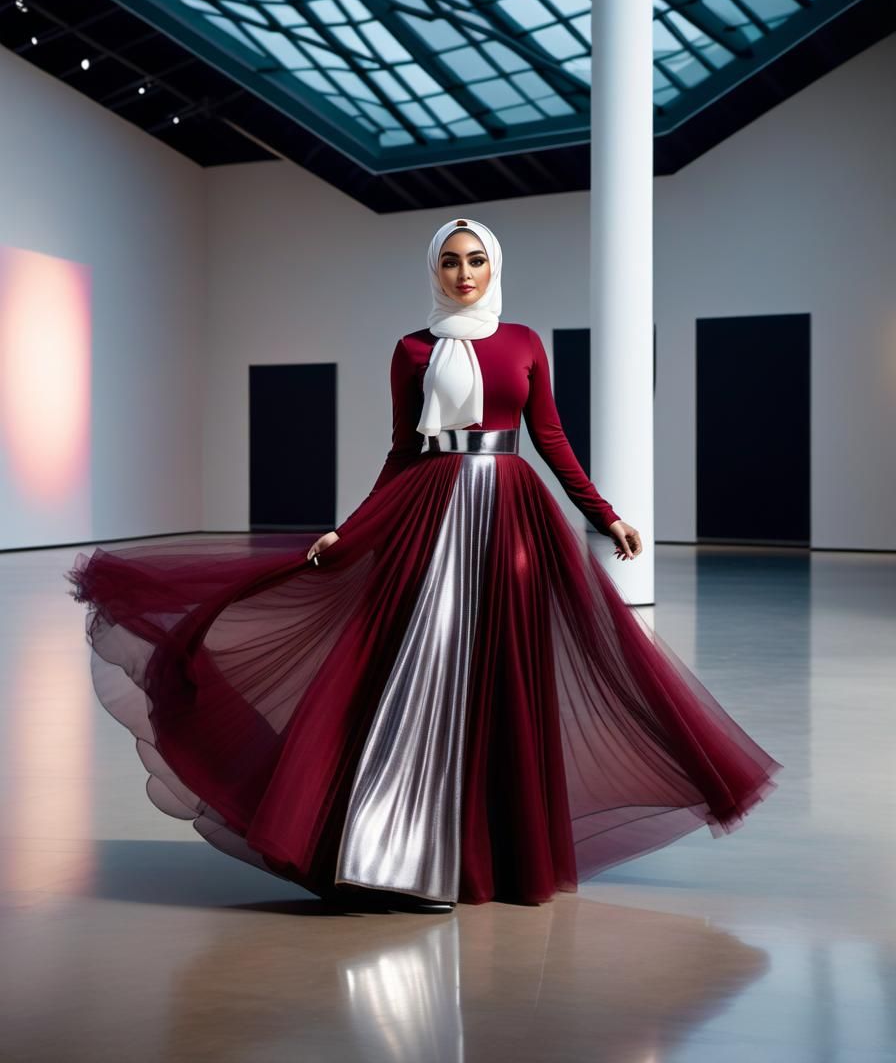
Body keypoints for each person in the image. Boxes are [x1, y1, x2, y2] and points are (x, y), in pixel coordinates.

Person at [67, 216, 780, 914]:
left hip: (512, 515)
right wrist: (349, 532)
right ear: (434, 270)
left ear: (493, 266)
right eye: (450, 261)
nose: (464, 273)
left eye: (475, 260)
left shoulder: (524, 342)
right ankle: (405, 851)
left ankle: (501, 851)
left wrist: (606, 515)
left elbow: (552, 439)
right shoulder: (412, 349)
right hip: (430, 512)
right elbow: (402, 451)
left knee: (504, 676)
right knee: (422, 670)